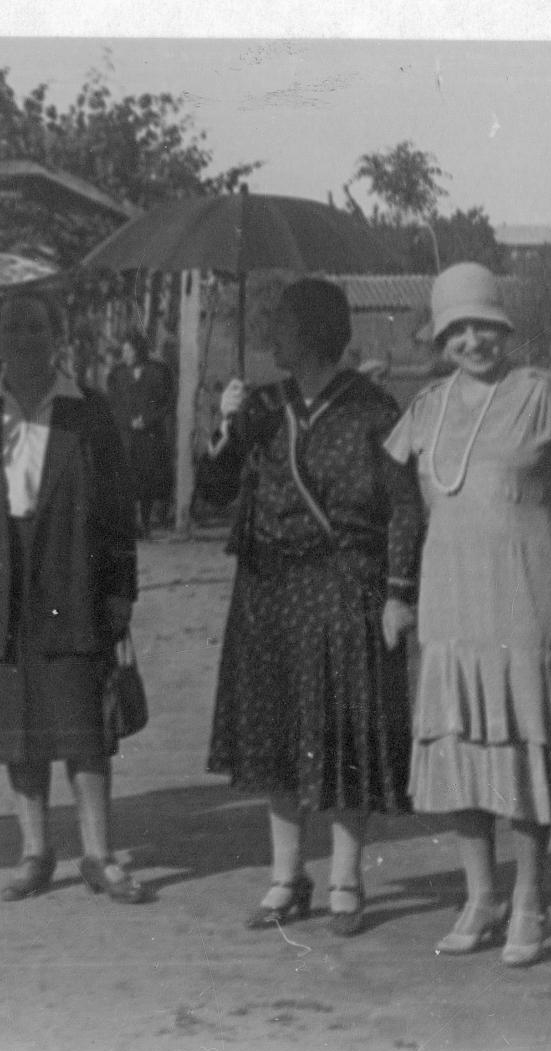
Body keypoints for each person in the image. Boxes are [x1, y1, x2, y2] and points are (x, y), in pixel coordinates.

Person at [383, 263, 551, 966]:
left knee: (520, 741)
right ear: (440, 339)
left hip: (523, 592)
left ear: (504, 328)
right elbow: (407, 510)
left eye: (484, 326)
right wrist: (400, 594)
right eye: (457, 330)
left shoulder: (542, 395)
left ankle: (530, 898)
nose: (473, 341)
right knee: (461, 746)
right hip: (450, 596)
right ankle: (481, 896)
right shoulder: (425, 409)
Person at [196, 279, 423, 937]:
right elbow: (212, 492)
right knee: (277, 733)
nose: (272, 336)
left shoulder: (375, 410)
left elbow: (405, 506)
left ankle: (346, 879)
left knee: (345, 732)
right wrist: (225, 424)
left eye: (285, 324)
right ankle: (286, 878)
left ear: (319, 332)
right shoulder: (262, 407)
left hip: (344, 585)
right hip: (269, 590)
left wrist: (399, 593)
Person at [0, 292, 146, 905]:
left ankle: (99, 855)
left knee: (82, 720)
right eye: (11, 329)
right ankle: (35, 851)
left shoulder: (90, 412)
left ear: (56, 338)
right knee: (16, 724)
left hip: (70, 572)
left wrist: (120, 589)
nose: (23, 337)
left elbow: (119, 509)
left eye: (35, 326)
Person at [106, 332, 175, 534]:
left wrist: (147, 420)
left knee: (147, 479)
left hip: (150, 436)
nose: (125, 354)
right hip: (126, 436)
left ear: (139, 350)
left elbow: (166, 403)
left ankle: (145, 522)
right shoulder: (117, 375)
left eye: (129, 350)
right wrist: (127, 421)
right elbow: (113, 404)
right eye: (124, 350)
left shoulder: (157, 373)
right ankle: (128, 523)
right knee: (126, 478)